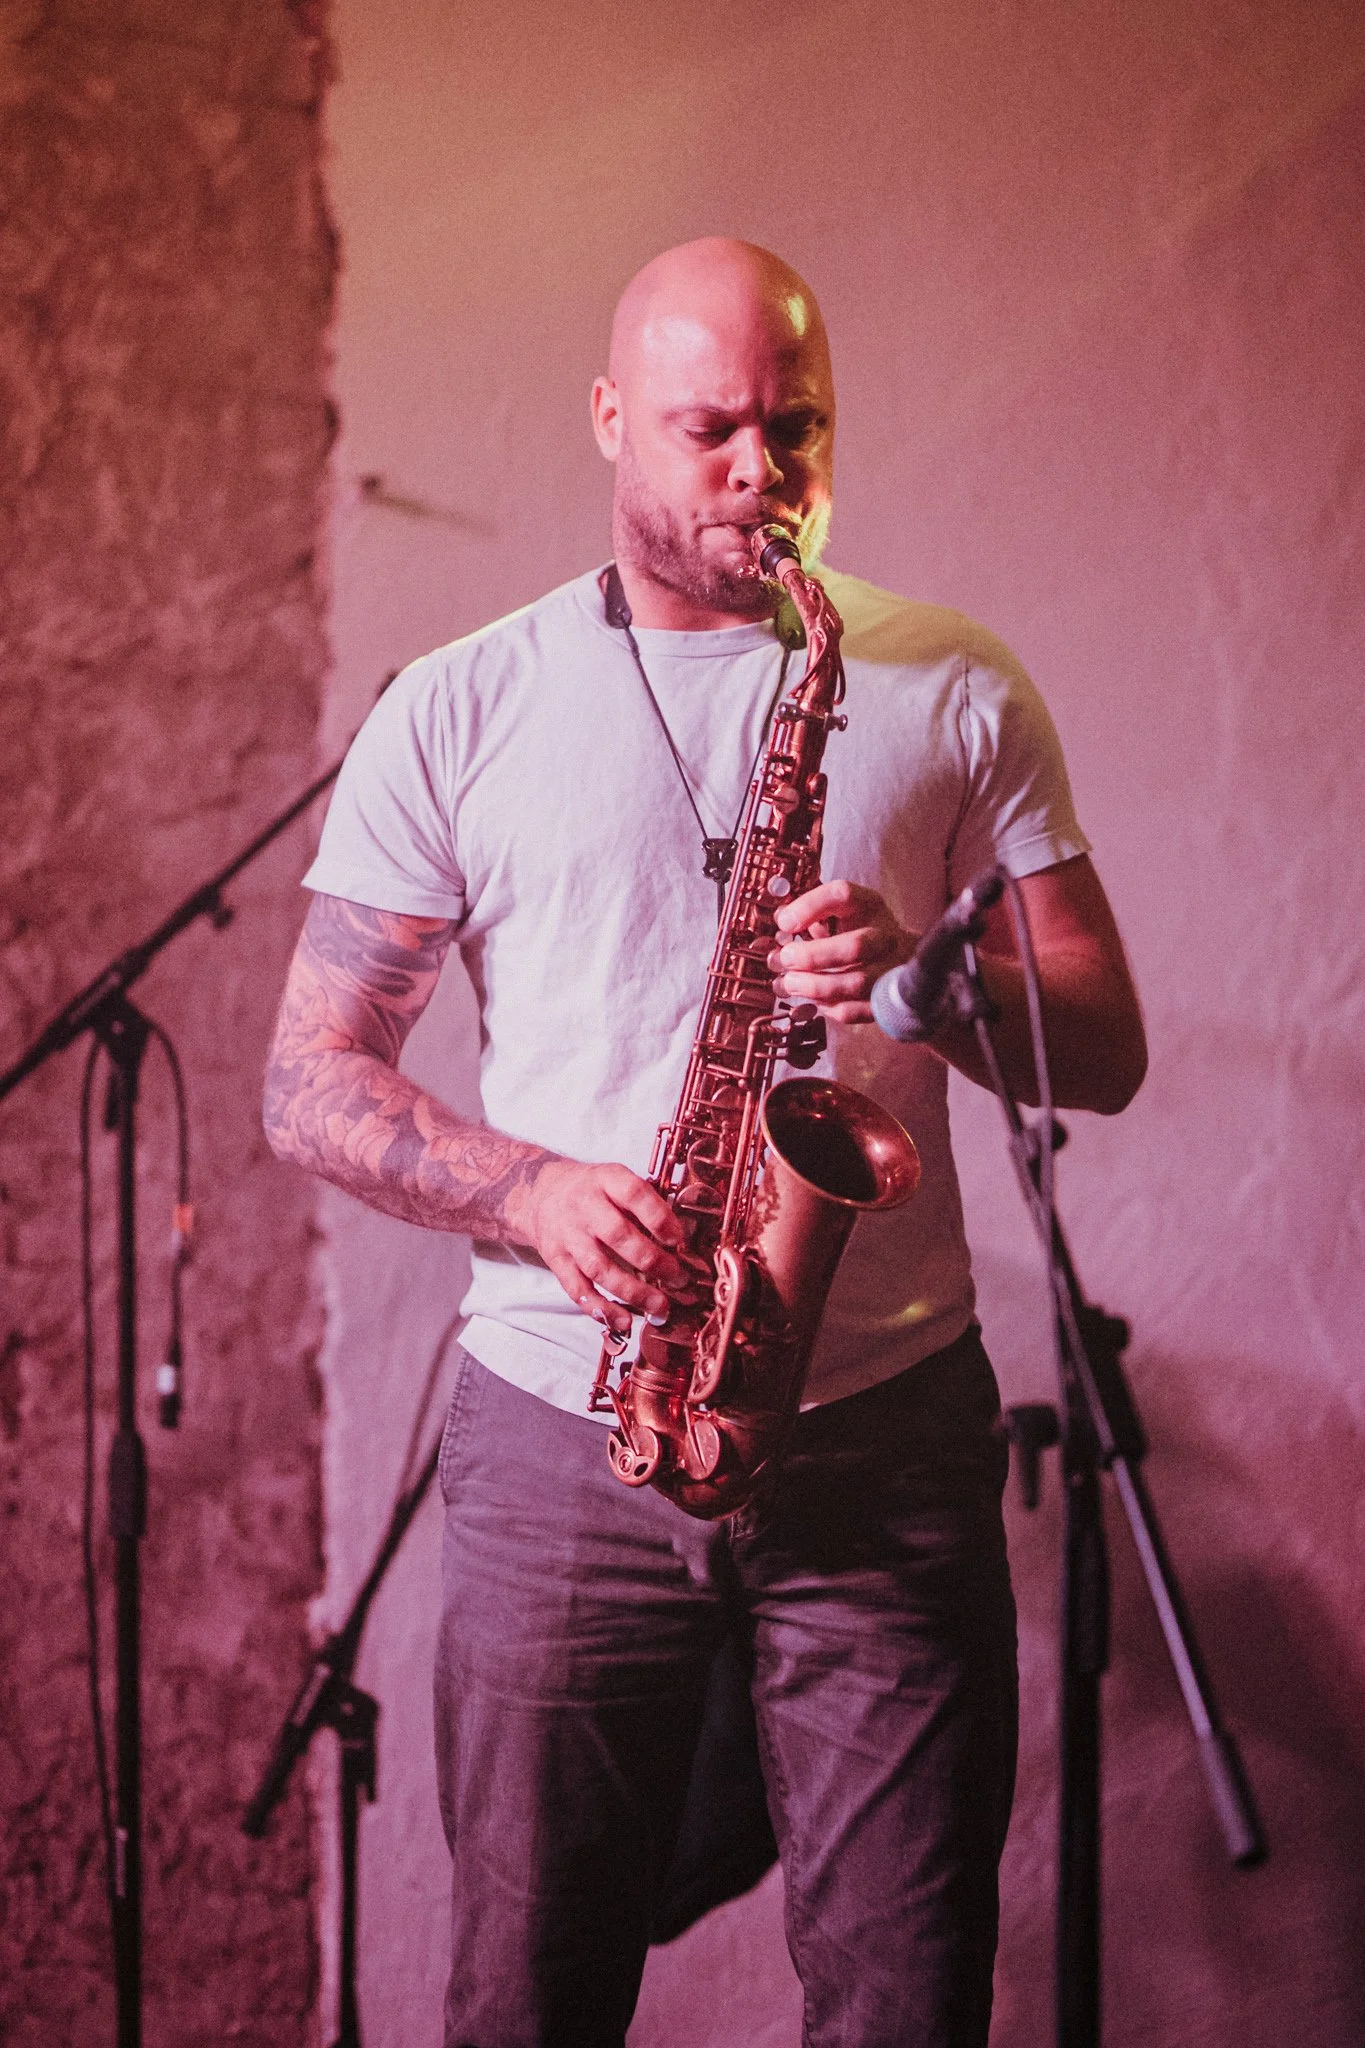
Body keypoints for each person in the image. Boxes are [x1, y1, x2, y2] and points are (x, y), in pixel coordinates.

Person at [264, 237, 1146, 2048]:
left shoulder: (949, 682)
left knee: (908, 2003)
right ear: (610, 423)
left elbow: (1106, 1050)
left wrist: (930, 986)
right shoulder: (461, 704)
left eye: (797, 427)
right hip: (558, 1424)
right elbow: (309, 1076)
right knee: (528, 1994)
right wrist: (528, 1189)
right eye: (711, 428)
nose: (765, 472)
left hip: (887, 1433)